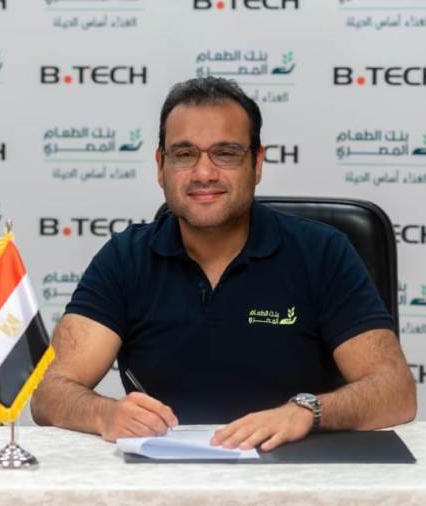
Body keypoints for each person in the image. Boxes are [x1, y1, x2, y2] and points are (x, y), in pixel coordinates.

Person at [31, 77, 415, 451]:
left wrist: (306, 411)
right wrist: (105, 414)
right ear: (161, 166)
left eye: (226, 153)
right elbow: (48, 391)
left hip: (295, 471)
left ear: (257, 163)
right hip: (164, 474)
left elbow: (395, 391)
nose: (204, 174)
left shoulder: (323, 252)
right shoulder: (125, 258)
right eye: (184, 154)